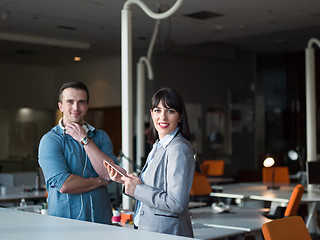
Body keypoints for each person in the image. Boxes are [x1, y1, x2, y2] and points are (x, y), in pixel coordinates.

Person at [105, 88, 195, 237]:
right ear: (151, 113)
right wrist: (125, 179)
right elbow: (153, 189)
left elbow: (177, 203)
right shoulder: (158, 146)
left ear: (180, 117)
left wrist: (138, 189)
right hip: (149, 230)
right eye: (157, 110)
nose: (163, 117)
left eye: (170, 111)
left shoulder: (178, 148)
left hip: (167, 233)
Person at [38, 81, 117, 224]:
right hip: (65, 225)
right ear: (60, 106)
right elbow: (65, 185)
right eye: (70, 102)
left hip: (101, 222)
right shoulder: (50, 140)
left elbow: (110, 174)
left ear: (87, 106)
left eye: (81, 102)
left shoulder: (101, 137)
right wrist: (100, 181)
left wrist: (85, 140)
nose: (76, 107)